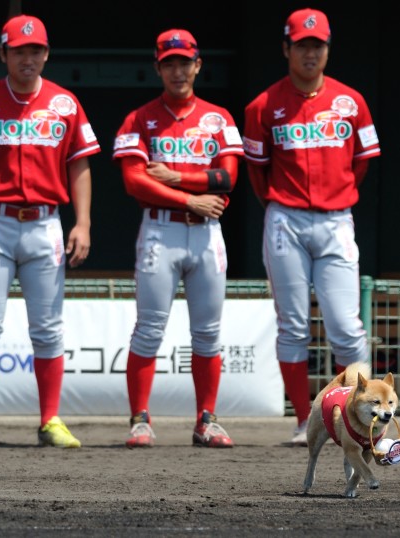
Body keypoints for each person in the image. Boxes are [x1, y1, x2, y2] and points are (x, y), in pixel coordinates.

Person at [0, 15, 99, 448]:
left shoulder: (66, 103)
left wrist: (83, 222)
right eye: (19, 51)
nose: (28, 58)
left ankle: (50, 419)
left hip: (45, 222)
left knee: (48, 327)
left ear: (47, 54)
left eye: (35, 50)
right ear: (3, 54)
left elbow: (80, 164)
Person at [243, 8, 381, 446]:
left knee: (347, 328)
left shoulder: (351, 101)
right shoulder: (262, 105)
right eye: (301, 45)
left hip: (337, 218)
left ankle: (357, 419)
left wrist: (336, 194)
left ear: (327, 49)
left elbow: (361, 164)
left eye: (317, 45)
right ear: (286, 48)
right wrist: (283, 203)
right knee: (293, 327)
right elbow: (257, 171)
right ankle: (306, 421)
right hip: (285, 218)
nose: (310, 53)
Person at [112, 29, 243, 448]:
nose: (177, 71)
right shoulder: (139, 118)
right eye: (169, 63)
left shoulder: (219, 117)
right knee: (149, 329)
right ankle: (140, 420)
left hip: (206, 232)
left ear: (198, 65)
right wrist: (191, 197)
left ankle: (207, 419)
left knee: (208, 332)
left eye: (184, 62)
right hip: (161, 228)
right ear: (157, 68)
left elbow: (227, 178)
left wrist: (174, 176)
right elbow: (134, 181)